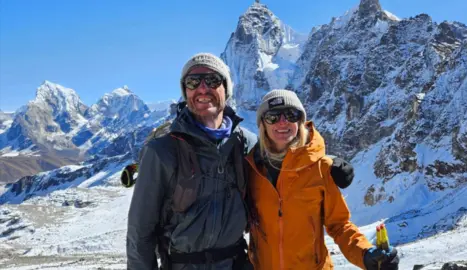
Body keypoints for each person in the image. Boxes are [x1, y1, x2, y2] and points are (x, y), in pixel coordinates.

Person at [126, 53, 356, 270]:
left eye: (212, 80)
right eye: (193, 81)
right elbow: (140, 232)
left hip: (236, 263)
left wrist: (330, 162)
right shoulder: (162, 150)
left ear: (226, 89)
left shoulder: (245, 143)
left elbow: (286, 158)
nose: (203, 88)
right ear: (185, 92)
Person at [246, 89, 400, 270]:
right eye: (273, 116)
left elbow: (339, 225)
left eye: (291, 114)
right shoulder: (251, 169)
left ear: (301, 122)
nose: (282, 122)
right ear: (262, 123)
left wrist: (365, 254)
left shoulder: (320, 169)